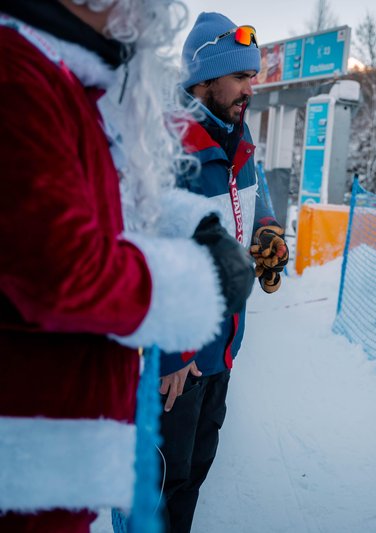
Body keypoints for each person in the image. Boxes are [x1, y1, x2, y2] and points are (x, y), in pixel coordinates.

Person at [0, 1, 255, 531]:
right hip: (23, 452)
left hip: (56, 445)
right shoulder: (16, 74)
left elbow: (114, 208)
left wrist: (191, 226)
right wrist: (197, 284)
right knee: (161, 491)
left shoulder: (71, 79)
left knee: (184, 480)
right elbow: (58, 270)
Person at [157, 12, 289, 533]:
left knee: (191, 477)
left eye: (252, 77)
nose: (249, 89)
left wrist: (269, 229)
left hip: (221, 347)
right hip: (176, 360)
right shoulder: (169, 147)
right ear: (204, 80)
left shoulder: (236, 135)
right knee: (156, 490)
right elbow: (148, 254)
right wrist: (173, 352)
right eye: (240, 77)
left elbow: (254, 196)